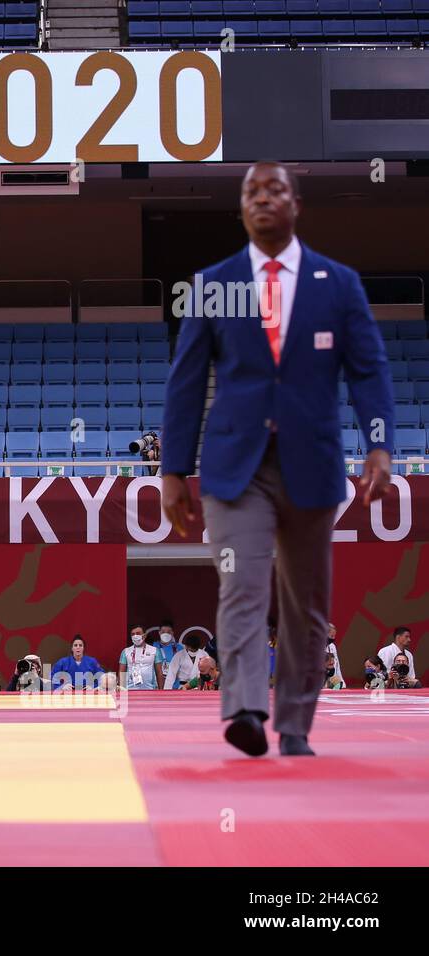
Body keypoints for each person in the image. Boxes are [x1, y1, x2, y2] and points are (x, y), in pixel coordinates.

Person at [162, 161, 394, 758]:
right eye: (251, 191)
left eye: (276, 190)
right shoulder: (212, 284)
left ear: (296, 204)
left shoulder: (336, 284)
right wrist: (172, 470)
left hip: (311, 465)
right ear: (241, 208)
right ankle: (244, 707)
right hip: (235, 468)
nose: (263, 198)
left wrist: (378, 442)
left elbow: (368, 369)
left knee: (306, 601)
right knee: (242, 582)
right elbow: (186, 383)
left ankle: (294, 725)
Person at [118, 625, 159, 690]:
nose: (135, 636)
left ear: (145, 635)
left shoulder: (155, 650)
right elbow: (122, 672)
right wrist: (122, 691)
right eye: (133, 634)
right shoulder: (126, 651)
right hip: (130, 689)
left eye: (138, 633)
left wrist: (161, 690)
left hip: (150, 689)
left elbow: (159, 672)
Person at [153, 621, 178, 689]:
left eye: (169, 632)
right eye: (163, 632)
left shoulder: (179, 648)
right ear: (159, 632)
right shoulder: (153, 647)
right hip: (157, 686)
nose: (166, 634)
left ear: (172, 633)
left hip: (174, 686)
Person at [324, 622, 345, 689]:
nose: (333, 638)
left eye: (334, 636)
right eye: (332, 636)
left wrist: (341, 682)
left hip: (329, 681)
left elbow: (337, 666)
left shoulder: (332, 647)